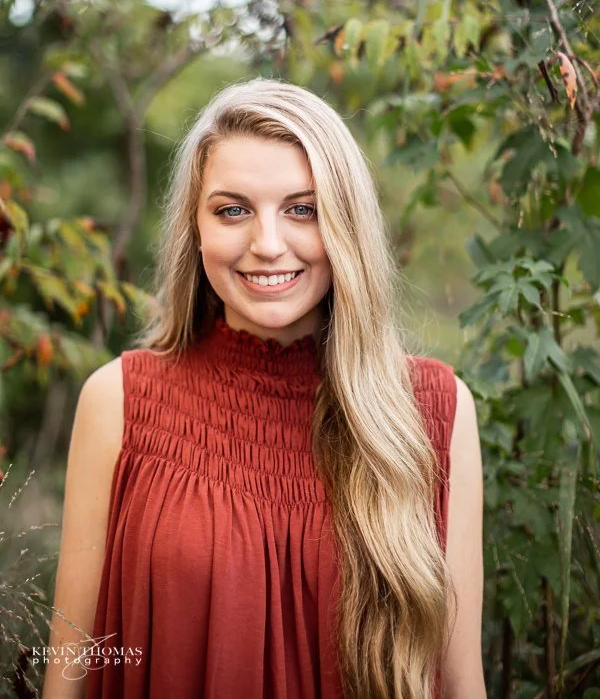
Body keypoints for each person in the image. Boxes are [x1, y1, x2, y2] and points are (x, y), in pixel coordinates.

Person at [42, 78, 486, 699]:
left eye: (303, 209)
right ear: (194, 229)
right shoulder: (118, 401)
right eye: (233, 210)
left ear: (346, 228)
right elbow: (71, 669)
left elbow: (463, 685)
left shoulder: (434, 411)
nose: (268, 245)